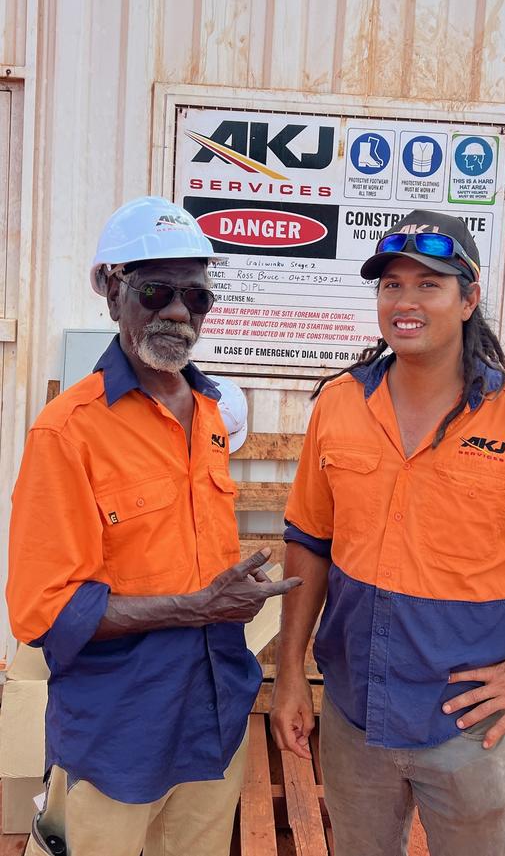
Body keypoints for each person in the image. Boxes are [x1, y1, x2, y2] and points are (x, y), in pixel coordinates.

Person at [270, 208, 505, 856]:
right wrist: (286, 678)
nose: (405, 300)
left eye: (429, 283)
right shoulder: (339, 404)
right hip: (352, 717)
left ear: (469, 298)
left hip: (470, 730)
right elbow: (308, 541)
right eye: (392, 283)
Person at [7, 196, 301, 856]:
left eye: (195, 297)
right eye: (156, 290)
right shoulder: (69, 432)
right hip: (118, 729)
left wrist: (226, 600)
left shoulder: (211, 414)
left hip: (211, 716)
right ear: (111, 292)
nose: (177, 311)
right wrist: (197, 606)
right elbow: (43, 611)